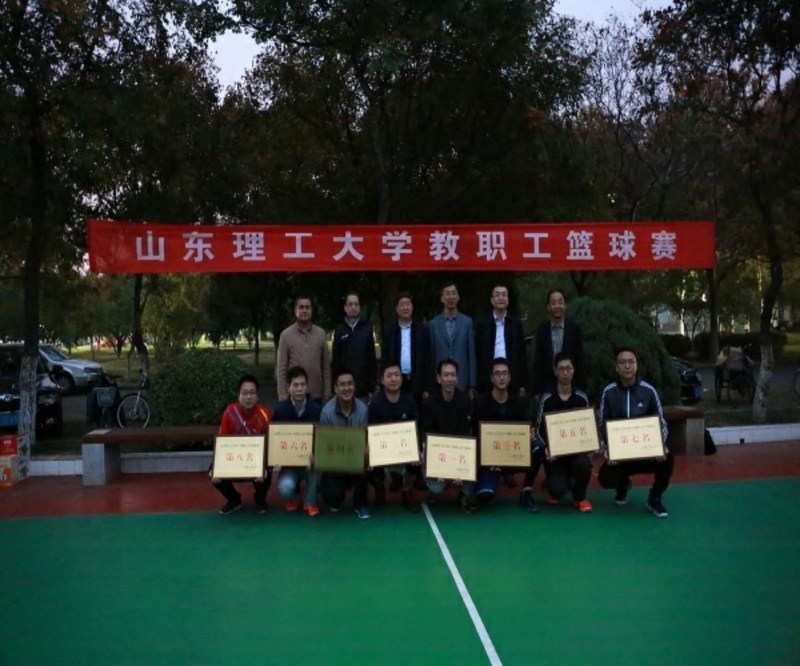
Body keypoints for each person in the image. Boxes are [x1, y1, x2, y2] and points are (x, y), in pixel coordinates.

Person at [597, 347, 674, 518]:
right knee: (605, 479)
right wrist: (608, 449)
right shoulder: (609, 392)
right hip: (621, 455)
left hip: (645, 452)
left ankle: (655, 498)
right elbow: (602, 423)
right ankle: (623, 484)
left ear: (636, 365)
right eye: (622, 362)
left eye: (630, 362)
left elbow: (661, 422)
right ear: (616, 367)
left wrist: (660, 445)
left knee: (667, 459)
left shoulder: (649, 391)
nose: (627, 366)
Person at [472, 358, 539, 513]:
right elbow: (476, 437)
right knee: (484, 497)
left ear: (509, 377)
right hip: (490, 462)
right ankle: (486, 482)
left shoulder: (519, 402)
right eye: (497, 374)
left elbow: (525, 429)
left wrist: (530, 434)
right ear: (491, 378)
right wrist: (487, 459)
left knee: (537, 447)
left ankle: (526, 491)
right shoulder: (480, 403)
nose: (501, 377)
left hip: (514, 456)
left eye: (505, 373)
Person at [533, 352, 593, 513]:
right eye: (561, 369)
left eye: (568, 368)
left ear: (573, 370)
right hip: (555, 456)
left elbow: (588, 428)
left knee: (584, 464)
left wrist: (590, 445)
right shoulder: (546, 398)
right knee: (557, 491)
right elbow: (538, 429)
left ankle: (579, 498)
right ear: (555, 371)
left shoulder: (581, 398)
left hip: (576, 454)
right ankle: (559, 484)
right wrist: (546, 448)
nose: (565, 372)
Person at [211, 374, 271, 515]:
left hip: (255, 459)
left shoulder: (265, 414)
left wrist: (263, 467)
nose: (248, 397)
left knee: (266, 471)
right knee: (213, 474)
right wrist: (216, 468)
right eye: (244, 393)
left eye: (252, 393)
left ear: (257, 396)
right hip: (234, 458)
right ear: (239, 395)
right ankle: (234, 500)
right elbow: (222, 442)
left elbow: (268, 446)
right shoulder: (229, 412)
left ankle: (260, 499)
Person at [423, 359, 477, 514]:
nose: (449, 379)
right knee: (436, 486)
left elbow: (466, 434)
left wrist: (460, 467)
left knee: (473, 460)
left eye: (453, 375)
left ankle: (465, 495)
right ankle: (434, 490)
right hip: (438, 454)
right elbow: (427, 436)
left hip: (458, 453)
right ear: (439, 378)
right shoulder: (430, 403)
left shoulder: (464, 401)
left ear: (457, 378)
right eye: (446, 375)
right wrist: (438, 466)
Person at [368, 364, 422, 511]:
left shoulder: (409, 400)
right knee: (370, 464)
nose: (393, 379)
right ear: (382, 380)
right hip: (383, 451)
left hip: (404, 450)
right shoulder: (375, 403)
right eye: (389, 375)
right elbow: (371, 433)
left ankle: (406, 490)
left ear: (402, 379)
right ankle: (379, 488)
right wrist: (371, 455)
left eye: (397, 375)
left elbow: (415, 428)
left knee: (417, 462)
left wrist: (416, 451)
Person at [319, 369, 371, 519]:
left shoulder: (363, 410)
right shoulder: (326, 412)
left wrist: (366, 455)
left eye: (350, 384)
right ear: (335, 389)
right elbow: (324, 444)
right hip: (335, 460)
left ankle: (360, 502)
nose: (346, 388)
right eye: (342, 384)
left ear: (354, 386)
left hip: (356, 459)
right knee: (333, 501)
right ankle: (336, 490)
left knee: (366, 462)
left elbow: (365, 439)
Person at [272, 366, 323, 517]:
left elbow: (321, 439)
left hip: (309, 464)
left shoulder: (317, 410)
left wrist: (316, 456)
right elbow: (275, 440)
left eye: (302, 385)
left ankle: (310, 502)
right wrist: (275, 459)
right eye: (295, 385)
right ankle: (292, 497)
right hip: (289, 465)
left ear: (307, 386)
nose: (299, 389)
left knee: (318, 469)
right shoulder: (280, 411)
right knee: (285, 488)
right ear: (288, 388)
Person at [475, 284, 528, 396]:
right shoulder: (482, 323)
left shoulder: (515, 322)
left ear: (508, 300)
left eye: (504, 295)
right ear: (492, 300)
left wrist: (523, 383)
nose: (501, 298)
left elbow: (521, 354)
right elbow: (477, 353)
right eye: (497, 295)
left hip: (511, 376)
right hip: (487, 376)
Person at [276, 295, 331, 404]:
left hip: (316, 395)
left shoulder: (320, 334)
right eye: (301, 307)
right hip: (294, 395)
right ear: (295, 310)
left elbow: (326, 367)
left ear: (312, 310)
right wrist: (282, 395)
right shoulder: (286, 335)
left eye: (307, 307)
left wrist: (327, 393)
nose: (304, 310)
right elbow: (281, 368)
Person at [381, 291, 431, 406]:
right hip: (396, 381)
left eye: (408, 304)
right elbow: (385, 358)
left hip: (417, 382)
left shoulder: (421, 330)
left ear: (412, 307)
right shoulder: (390, 332)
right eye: (402, 305)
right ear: (397, 309)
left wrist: (427, 387)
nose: (405, 308)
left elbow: (428, 359)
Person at [532, 289, 585, 397]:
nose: (557, 306)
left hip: (570, 383)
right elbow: (538, 360)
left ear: (565, 305)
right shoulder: (542, 330)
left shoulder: (574, 329)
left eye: (560, 302)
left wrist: (581, 387)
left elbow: (580, 359)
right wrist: (537, 390)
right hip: (547, 383)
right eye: (553, 303)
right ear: (548, 307)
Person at [428, 282, 477, 397]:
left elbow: (471, 355)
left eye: (454, 293)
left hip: (462, 381)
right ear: (442, 298)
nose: (451, 297)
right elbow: (431, 357)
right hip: (440, 383)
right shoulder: (433, 324)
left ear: (458, 297)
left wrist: (472, 385)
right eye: (447, 294)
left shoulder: (467, 322)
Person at [332, 291, 377, 402]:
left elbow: (372, 359)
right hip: (344, 388)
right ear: (345, 308)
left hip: (363, 388)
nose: (353, 307)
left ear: (359, 307)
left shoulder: (367, 329)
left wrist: (372, 387)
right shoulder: (339, 329)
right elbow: (336, 360)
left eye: (356, 304)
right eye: (350, 304)